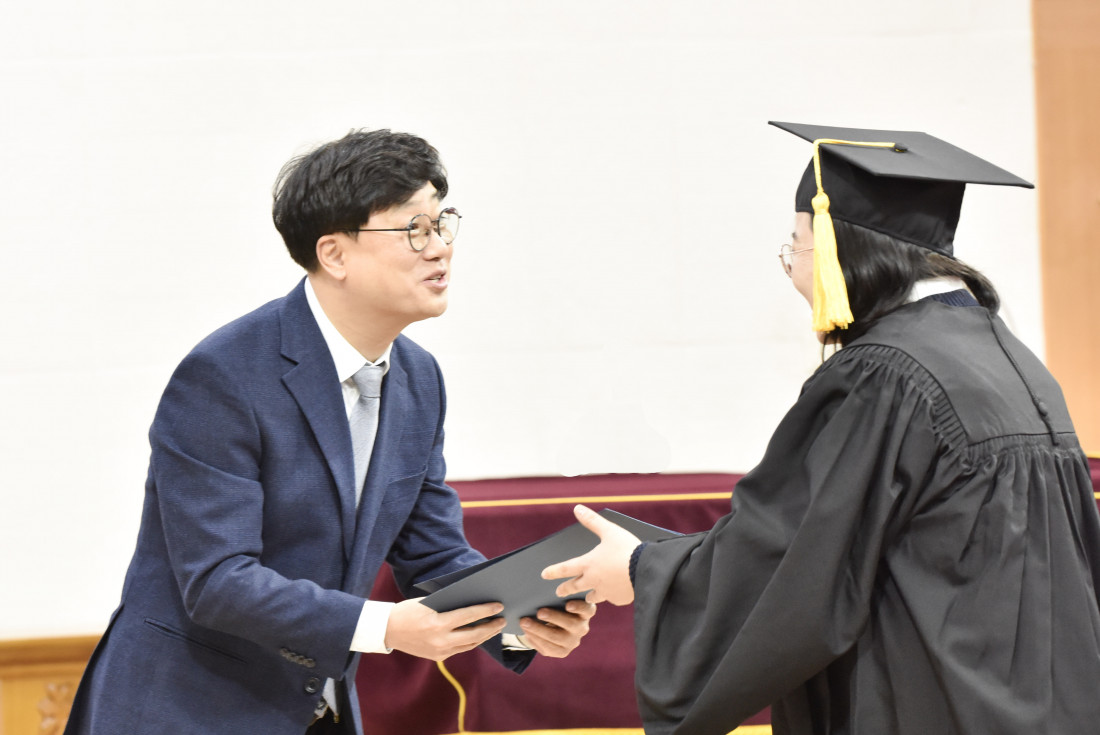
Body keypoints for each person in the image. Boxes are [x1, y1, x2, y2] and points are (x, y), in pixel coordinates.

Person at [543, 122, 1100, 735]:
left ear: (843, 248)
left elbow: (796, 559)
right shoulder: (1012, 361)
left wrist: (642, 570)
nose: (793, 271)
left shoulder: (884, 376)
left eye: (799, 246)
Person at [64, 129, 596, 735]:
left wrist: (518, 616)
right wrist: (386, 627)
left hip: (320, 711)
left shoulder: (419, 378)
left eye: (442, 223)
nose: (439, 249)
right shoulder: (224, 375)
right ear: (335, 254)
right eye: (413, 229)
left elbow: (432, 552)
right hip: (189, 710)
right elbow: (217, 581)